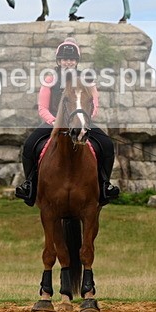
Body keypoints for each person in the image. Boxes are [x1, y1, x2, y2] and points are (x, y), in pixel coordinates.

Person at [15, 38, 120, 207]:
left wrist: (85, 121)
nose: (68, 62)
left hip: (82, 122)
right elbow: (42, 107)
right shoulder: (50, 79)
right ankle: (29, 185)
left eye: (71, 59)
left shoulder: (86, 79)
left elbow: (95, 104)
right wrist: (56, 121)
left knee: (107, 145)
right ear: (59, 61)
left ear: (77, 61)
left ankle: (105, 184)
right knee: (29, 146)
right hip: (54, 122)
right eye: (65, 59)